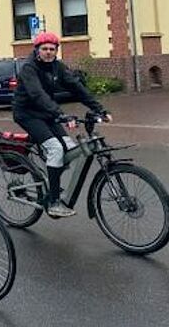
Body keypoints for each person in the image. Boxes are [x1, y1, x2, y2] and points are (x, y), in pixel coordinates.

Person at [11, 31, 112, 218]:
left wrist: (100, 109)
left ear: (56, 50)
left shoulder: (57, 67)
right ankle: (54, 202)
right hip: (27, 113)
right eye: (44, 49)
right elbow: (37, 94)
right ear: (37, 50)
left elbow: (77, 88)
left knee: (70, 148)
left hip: (47, 113)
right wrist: (61, 114)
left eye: (52, 49)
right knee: (57, 149)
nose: (48, 52)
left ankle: (52, 177)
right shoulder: (29, 68)